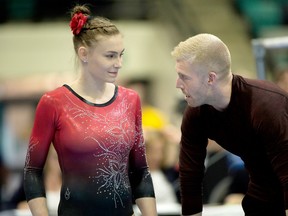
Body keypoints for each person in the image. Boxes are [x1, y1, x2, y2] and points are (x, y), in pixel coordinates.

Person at [23, 4, 157, 216]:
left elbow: (140, 170)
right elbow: (33, 172)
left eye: (121, 55)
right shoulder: (53, 102)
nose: (119, 63)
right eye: (110, 56)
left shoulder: (130, 100)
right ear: (84, 54)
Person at [170, 33, 288, 216]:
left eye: (184, 77)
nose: (178, 84)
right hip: (263, 192)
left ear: (210, 78)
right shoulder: (196, 112)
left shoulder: (265, 106)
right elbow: (190, 174)